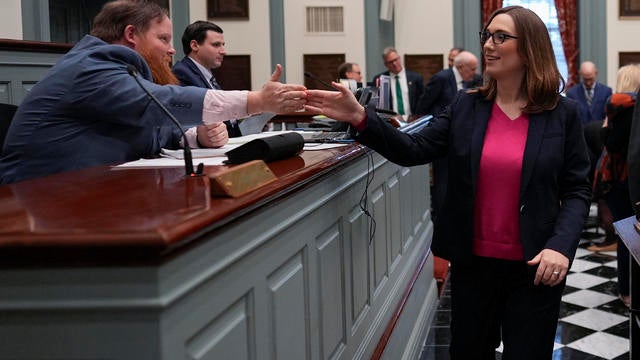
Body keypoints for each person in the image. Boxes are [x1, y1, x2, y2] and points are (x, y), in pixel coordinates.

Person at [306, 6, 591, 359]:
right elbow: (414, 148)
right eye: (487, 35)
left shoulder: (562, 114)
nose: (489, 44)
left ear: (530, 47)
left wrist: (561, 246)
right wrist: (361, 117)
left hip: (535, 266)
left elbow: (577, 189)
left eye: (501, 37)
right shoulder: (466, 107)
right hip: (474, 264)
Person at [0, 0, 306, 184]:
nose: (173, 50)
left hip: (79, 197)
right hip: (34, 205)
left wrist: (195, 136)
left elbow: (151, 131)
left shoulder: (120, 72)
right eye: (163, 38)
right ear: (131, 34)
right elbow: (160, 103)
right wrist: (255, 100)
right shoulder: (91, 66)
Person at [592, 64, 640, 307]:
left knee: (627, 237)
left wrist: (605, 128)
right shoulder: (629, 108)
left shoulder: (620, 107)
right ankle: (627, 290)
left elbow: (611, 143)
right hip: (626, 181)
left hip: (618, 181)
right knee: (630, 238)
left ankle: (626, 290)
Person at [172, 20, 242, 137]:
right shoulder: (182, 73)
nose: (223, 51)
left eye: (223, 45)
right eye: (216, 45)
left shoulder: (206, 75)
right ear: (194, 45)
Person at [416, 51, 480, 117]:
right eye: (473, 69)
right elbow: (423, 104)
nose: (475, 72)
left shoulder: (471, 80)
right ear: (460, 67)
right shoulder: (441, 78)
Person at [372, 47, 424, 116]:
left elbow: (422, 100)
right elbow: (375, 104)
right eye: (390, 62)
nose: (394, 64)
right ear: (385, 64)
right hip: (390, 121)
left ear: (399, 58)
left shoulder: (415, 78)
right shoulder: (380, 79)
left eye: (396, 60)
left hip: (412, 120)